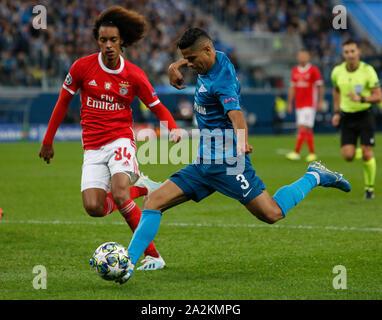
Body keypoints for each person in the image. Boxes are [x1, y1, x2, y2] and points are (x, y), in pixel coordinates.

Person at [117, 28, 351, 284]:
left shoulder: (222, 81)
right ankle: (126, 264)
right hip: (204, 164)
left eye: (192, 59)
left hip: (230, 165)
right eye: (188, 59)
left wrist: (242, 141)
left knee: (271, 214)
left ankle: (315, 175)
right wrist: (177, 64)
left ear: (206, 51)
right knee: (154, 202)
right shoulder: (216, 58)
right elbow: (201, 54)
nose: (191, 65)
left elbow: (236, 115)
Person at [38, 6, 182, 270]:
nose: (108, 45)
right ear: (98, 41)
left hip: (120, 140)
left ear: (121, 42)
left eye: (113, 40)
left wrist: (172, 127)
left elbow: (157, 106)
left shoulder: (134, 75)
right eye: (103, 40)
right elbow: (61, 103)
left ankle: (153, 255)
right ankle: (141, 188)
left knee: (118, 194)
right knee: (93, 207)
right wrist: (48, 141)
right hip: (92, 146)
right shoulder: (82, 67)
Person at [331, 39, 381, 199]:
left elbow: (378, 96)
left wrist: (361, 99)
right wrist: (337, 112)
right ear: (343, 53)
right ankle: (366, 151)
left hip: (364, 115)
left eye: (353, 51)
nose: (350, 55)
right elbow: (336, 91)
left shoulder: (368, 71)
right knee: (348, 156)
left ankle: (369, 189)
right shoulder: (337, 72)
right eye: (347, 52)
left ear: (358, 52)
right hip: (347, 117)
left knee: (367, 153)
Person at [286, 49, 324, 162]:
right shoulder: (295, 71)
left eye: (304, 55)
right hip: (299, 104)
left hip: (309, 103)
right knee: (306, 129)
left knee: (303, 127)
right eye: (300, 55)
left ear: (308, 57)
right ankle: (312, 153)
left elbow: (320, 86)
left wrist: (320, 101)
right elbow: (292, 88)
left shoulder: (314, 70)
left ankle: (296, 152)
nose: (302, 57)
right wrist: (289, 103)